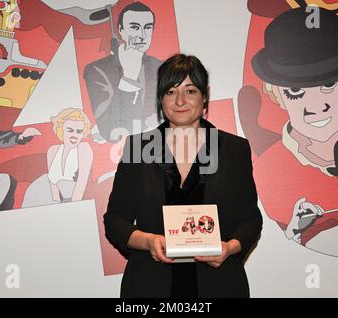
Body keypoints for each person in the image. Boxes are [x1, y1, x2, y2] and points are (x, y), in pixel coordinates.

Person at [104, 54, 262, 298]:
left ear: (205, 95)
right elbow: (115, 220)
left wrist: (229, 248)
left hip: (219, 285)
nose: (180, 101)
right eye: (170, 92)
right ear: (160, 97)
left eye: (190, 91)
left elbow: (250, 219)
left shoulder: (234, 149)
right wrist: (148, 241)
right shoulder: (138, 148)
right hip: (150, 286)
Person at [245, 6, 338, 243]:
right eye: (294, 91)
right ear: (276, 96)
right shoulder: (266, 168)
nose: (315, 106)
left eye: (329, 83)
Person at [83, 1, 162, 143]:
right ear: (121, 30)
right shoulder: (96, 70)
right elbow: (111, 131)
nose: (142, 35)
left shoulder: (161, 67)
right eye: (135, 27)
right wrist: (129, 77)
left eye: (148, 27)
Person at [22, 108, 93, 207]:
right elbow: (53, 186)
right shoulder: (52, 151)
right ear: (61, 129)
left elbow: (81, 182)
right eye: (70, 130)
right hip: (45, 198)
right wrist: (56, 206)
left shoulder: (84, 148)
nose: (74, 135)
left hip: (73, 201)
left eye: (79, 131)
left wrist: (74, 207)